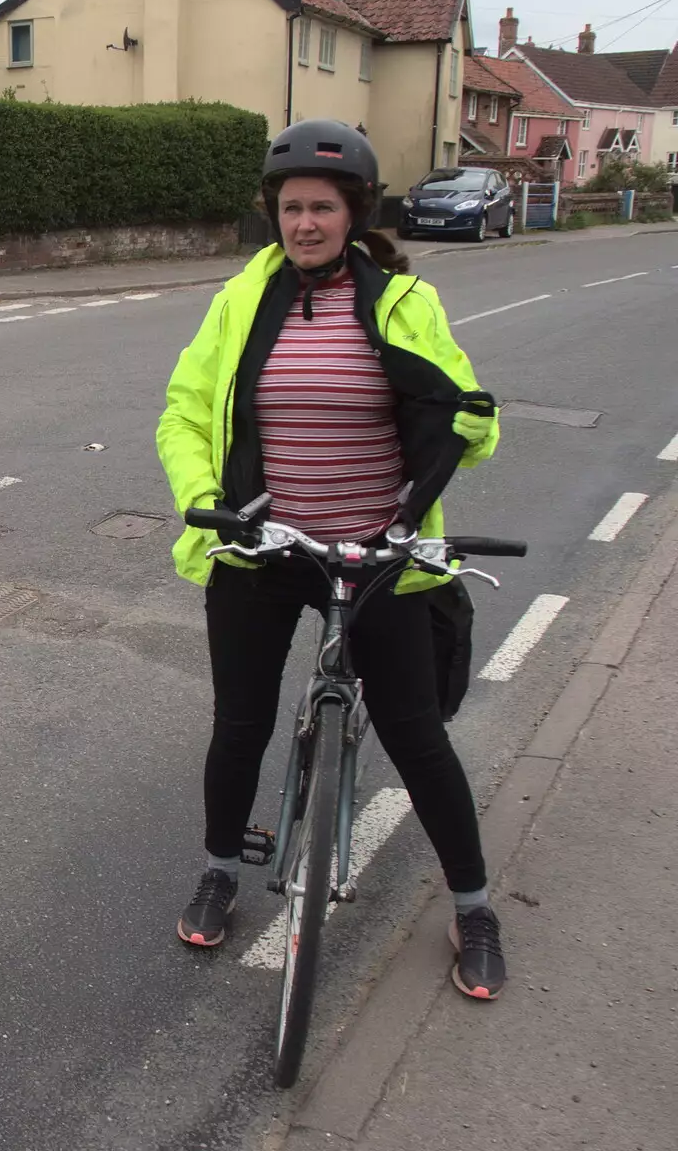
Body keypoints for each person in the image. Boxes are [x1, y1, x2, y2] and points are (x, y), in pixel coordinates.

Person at [155, 119, 507, 999]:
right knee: (239, 724)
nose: (303, 222)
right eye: (290, 207)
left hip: (377, 553)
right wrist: (211, 504)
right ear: (273, 212)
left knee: (417, 735)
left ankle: (474, 907)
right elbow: (185, 413)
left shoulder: (399, 301)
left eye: (321, 207)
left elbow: (469, 414)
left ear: (353, 212)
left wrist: (473, 423)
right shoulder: (241, 299)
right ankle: (221, 870)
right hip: (266, 546)